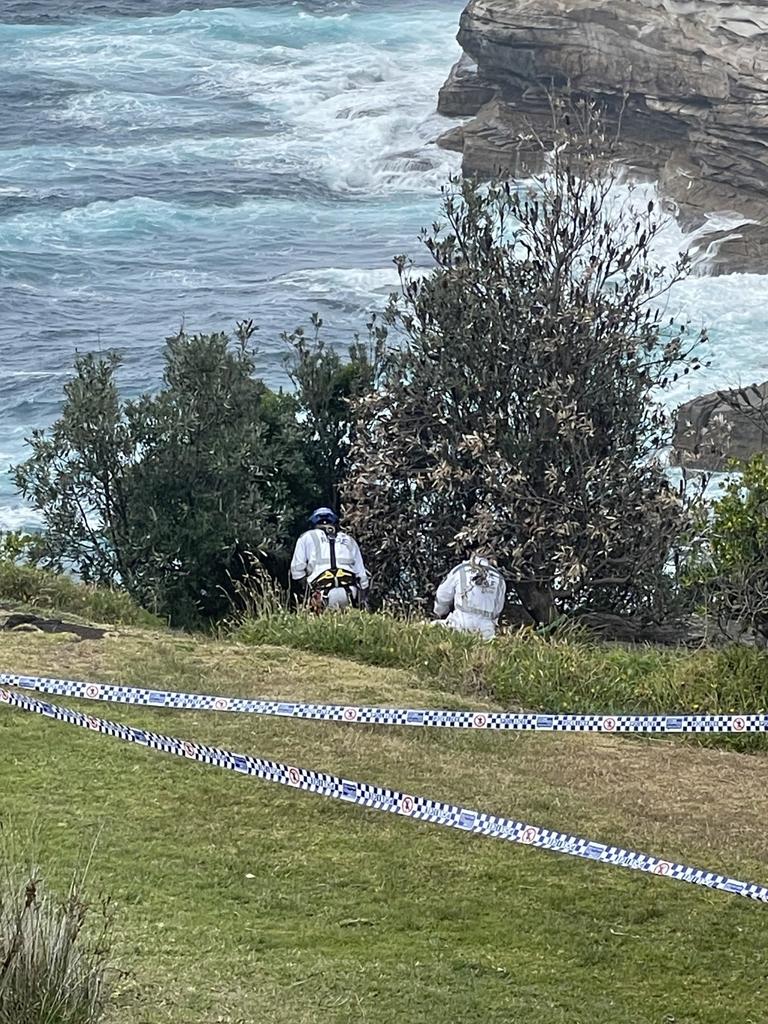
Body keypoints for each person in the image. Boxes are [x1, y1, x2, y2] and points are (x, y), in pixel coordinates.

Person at [290, 507, 370, 612]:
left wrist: (308, 593)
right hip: (349, 593)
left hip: (322, 594)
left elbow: (296, 572)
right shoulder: (349, 540)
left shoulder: (306, 537)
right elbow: (363, 578)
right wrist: (361, 603)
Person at [433, 554, 506, 639]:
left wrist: (439, 612)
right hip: (486, 632)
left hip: (458, 625)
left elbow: (442, 596)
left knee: (427, 627)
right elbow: (498, 610)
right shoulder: (500, 579)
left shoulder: (461, 569)